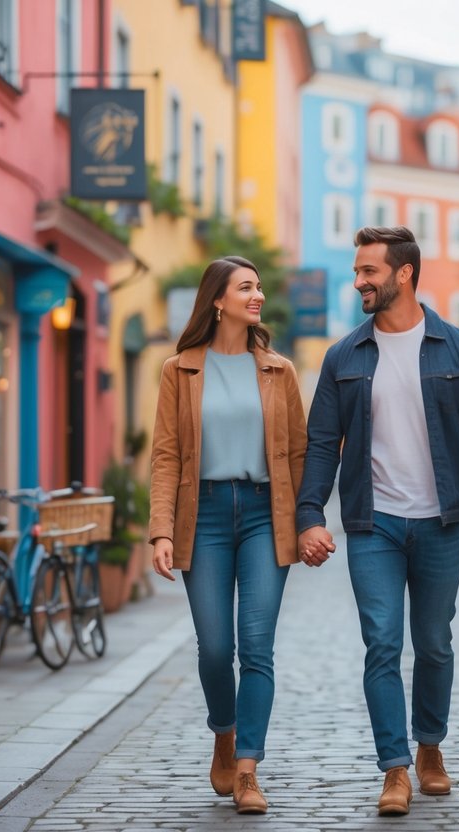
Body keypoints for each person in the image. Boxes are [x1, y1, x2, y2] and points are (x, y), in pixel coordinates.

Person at [296, 226, 459, 816]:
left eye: (369, 272)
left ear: (404, 273)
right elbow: (320, 444)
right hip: (373, 524)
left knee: (434, 644)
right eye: (358, 271)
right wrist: (310, 513)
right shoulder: (344, 357)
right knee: (382, 643)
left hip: (440, 522)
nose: (358, 281)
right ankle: (395, 768)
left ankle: (430, 747)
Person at [148, 255, 307, 815]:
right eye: (246, 287)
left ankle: (247, 770)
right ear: (218, 299)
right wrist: (161, 531)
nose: (257, 295)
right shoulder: (179, 370)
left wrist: (307, 521)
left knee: (256, 648)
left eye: (259, 286)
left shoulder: (279, 371)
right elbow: (166, 455)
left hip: (265, 514)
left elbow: (300, 453)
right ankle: (224, 729)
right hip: (205, 515)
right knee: (216, 648)